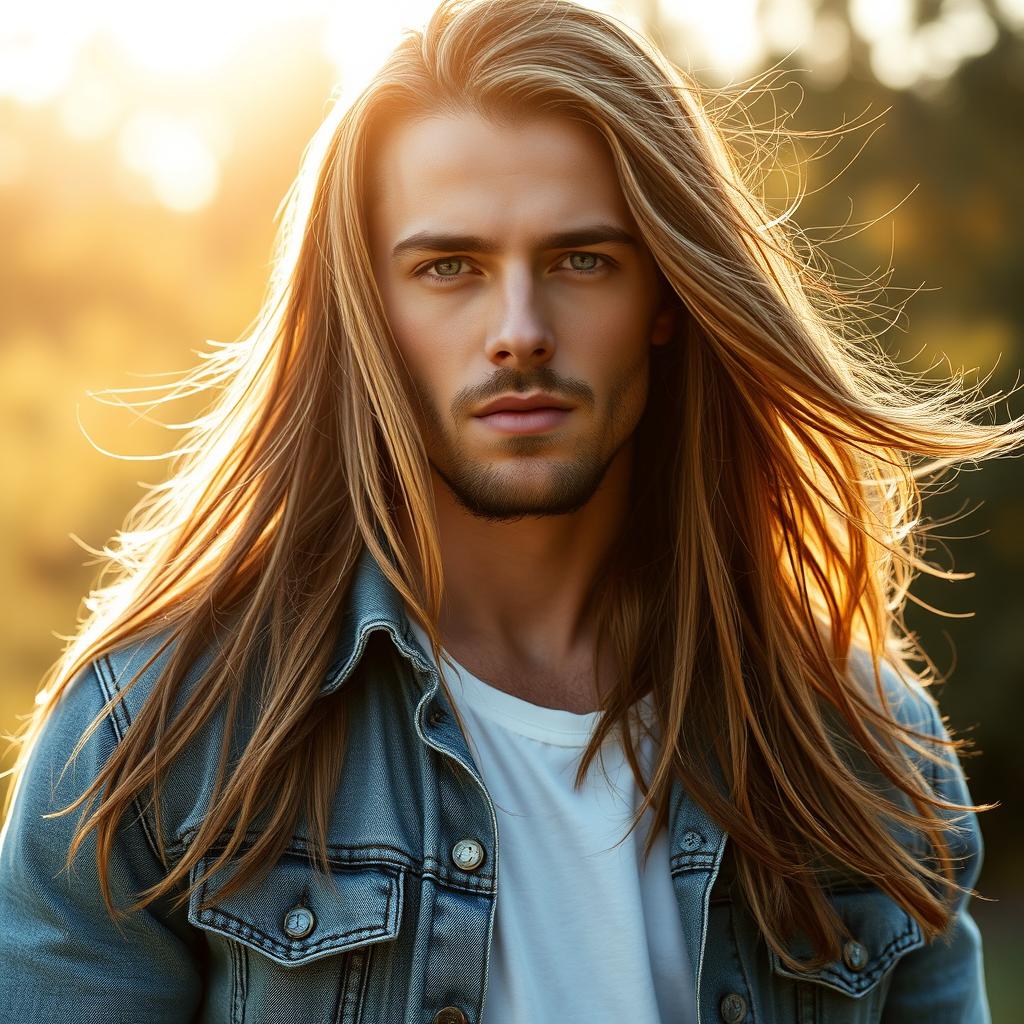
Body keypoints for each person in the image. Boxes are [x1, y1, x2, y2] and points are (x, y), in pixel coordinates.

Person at [1, 0, 1018, 1021]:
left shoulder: (861, 746)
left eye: (582, 260)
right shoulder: (156, 737)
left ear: (665, 297)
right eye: (450, 267)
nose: (519, 331)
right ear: (371, 313)